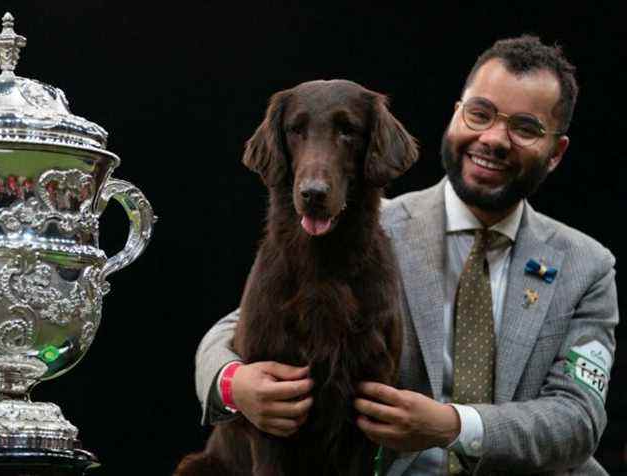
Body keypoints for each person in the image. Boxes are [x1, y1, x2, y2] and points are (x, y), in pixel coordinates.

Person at [194, 35, 617, 475]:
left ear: (556, 153)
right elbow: (233, 329)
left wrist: (453, 425)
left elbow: (578, 419)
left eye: (525, 128)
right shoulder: (370, 230)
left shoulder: (588, 268)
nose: (494, 139)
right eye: (480, 114)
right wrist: (232, 383)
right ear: (456, 115)